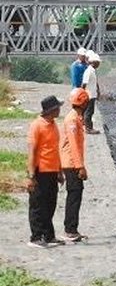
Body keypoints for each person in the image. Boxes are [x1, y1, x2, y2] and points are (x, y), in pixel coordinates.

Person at [27, 95, 65, 248]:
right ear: (52, 110)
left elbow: (55, 150)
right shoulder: (37, 125)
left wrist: (59, 171)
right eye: (58, 108)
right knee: (37, 205)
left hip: (52, 170)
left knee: (50, 204)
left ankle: (48, 236)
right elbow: (32, 152)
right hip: (39, 170)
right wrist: (30, 176)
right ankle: (36, 237)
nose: (59, 110)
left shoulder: (53, 124)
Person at [60, 87, 89, 242]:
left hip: (71, 162)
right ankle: (70, 230)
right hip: (71, 163)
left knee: (75, 194)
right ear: (84, 103)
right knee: (74, 195)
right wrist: (80, 167)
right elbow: (73, 145)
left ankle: (72, 228)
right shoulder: (72, 120)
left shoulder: (75, 117)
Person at [82, 52, 101, 134]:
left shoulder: (92, 71)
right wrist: (82, 93)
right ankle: (88, 128)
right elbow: (84, 83)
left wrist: (98, 91)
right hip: (89, 95)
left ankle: (89, 127)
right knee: (88, 112)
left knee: (90, 111)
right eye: (98, 62)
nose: (99, 64)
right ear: (94, 62)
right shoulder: (89, 71)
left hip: (92, 94)